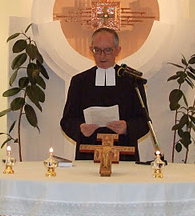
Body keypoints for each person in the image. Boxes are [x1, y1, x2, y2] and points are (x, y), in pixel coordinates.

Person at [60, 27, 149, 161]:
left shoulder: (131, 81)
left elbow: (144, 122)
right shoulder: (80, 81)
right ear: (91, 50)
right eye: (97, 50)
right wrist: (80, 128)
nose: (102, 56)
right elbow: (67, 121)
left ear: (117, 50)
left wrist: (127, 127)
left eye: (108, 50)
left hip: (124, 156)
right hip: (88, 155)